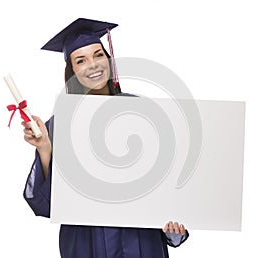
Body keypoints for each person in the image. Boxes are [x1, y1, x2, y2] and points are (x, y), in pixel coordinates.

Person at [22, 18, 189, 258]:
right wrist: (45, 148)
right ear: (72, 71)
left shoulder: (145, 112)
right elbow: (47, 205)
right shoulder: (62, 123)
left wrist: (174, 230)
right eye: (81, 60)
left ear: (108, 60)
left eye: (98, 55)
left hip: (141, 243)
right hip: (87, 243)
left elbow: (167, 182)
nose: (93, 65)